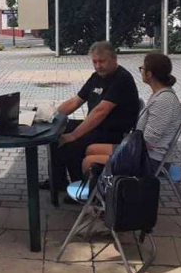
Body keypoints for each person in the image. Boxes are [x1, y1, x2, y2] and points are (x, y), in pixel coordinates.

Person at [45, 41, 140, 191]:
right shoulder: (96, 77)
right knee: (56, 133)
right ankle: (57, 181)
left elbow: (100, 111)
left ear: (114, 59)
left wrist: (74, 135)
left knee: (70, 143)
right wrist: (50, 115)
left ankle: (81, 188)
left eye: (102, 61)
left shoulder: (122, 79)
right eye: (94, 62)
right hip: (98, 127)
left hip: (112, 133)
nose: (98, 66)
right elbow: (76, 101)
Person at [81, 53, 181, 175]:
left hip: (150, 160)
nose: (141, 71)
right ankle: (101, 183)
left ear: (149, 74)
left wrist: (125, 145)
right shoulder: (159, 95)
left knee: (89, 161)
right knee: (91, 149)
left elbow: (148, 142)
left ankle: (99, 186)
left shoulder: (164, 101)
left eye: (142, 68)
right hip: (141, 152)